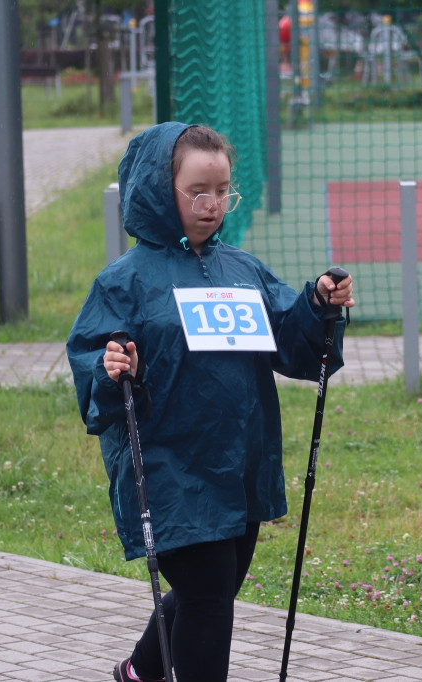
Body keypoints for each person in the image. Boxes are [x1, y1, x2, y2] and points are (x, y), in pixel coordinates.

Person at [66, 122, 354, 682]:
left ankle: (138, 673)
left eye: (223, 191)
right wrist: (113, 366)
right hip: (168, 468)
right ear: (159, 189)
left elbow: (295, 346)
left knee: (208, 590)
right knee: (207, 598)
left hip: (239, 465)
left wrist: (318, 303)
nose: (213, 204)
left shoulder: (241, 271)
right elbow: (94, 364)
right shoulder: (123, 283)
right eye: (198, 191)